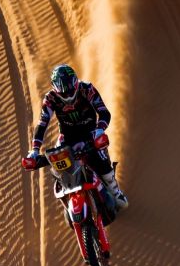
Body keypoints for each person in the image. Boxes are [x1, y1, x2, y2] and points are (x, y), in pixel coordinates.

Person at [26, 64, 128, 209]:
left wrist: (100, 130)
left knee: (101, 158)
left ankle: (115, 191)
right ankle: (68, 197)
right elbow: (42, 124)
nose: (68, 95)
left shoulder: (87, 88)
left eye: (70, 90)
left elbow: (104, 112)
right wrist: (34, 151)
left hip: (91, 132)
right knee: (57, 164)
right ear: (55, 89)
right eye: (64, 93)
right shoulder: (50, 98)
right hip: (67, 136)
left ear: (75, 82)